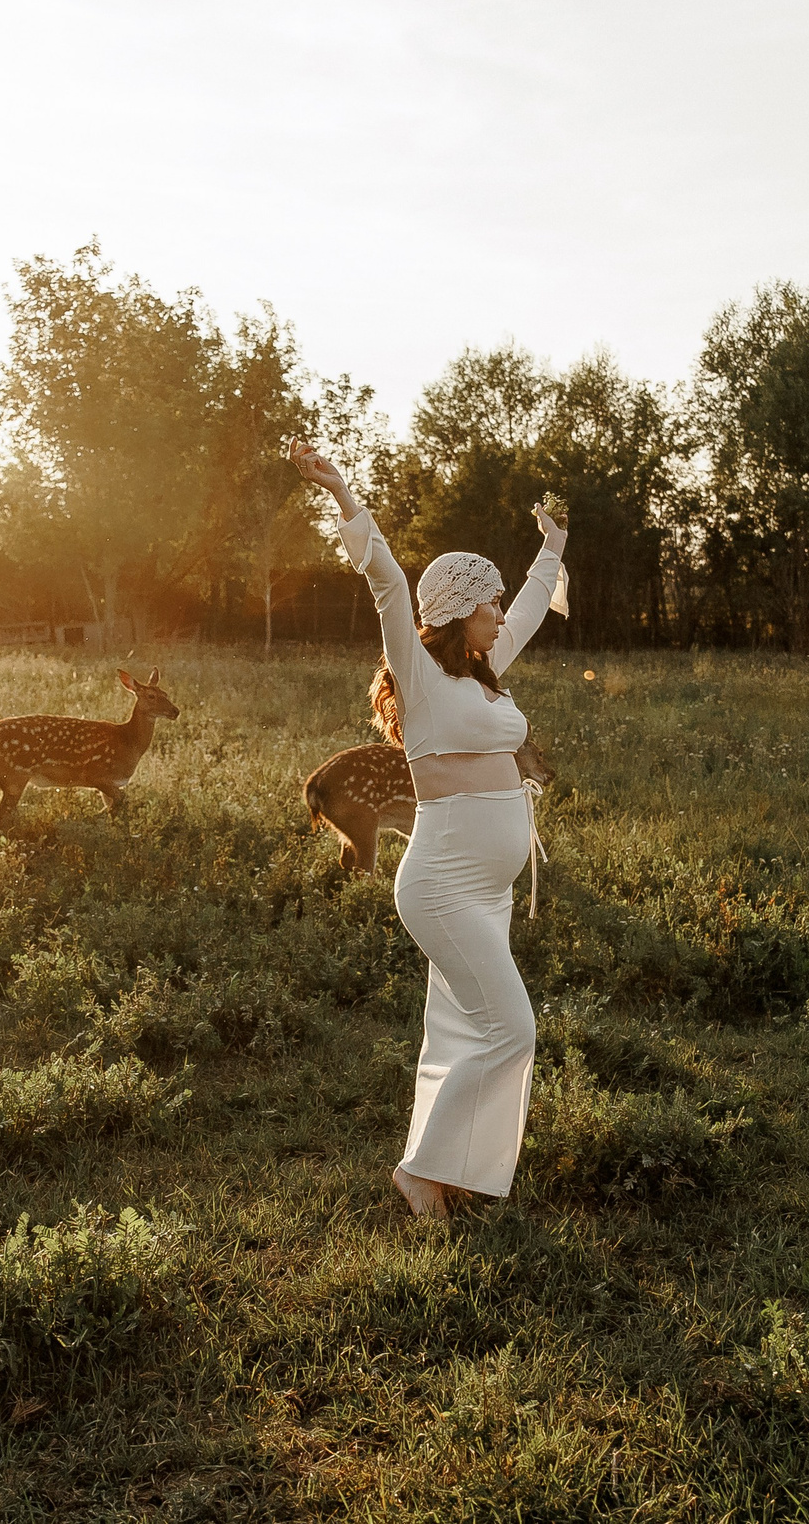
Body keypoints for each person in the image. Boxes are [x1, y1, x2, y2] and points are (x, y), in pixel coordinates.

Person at [291, 441, 567, 1219]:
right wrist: (342, 490)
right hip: (443, 885)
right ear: (453, 610)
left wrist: (554, 545)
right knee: (512, 1028)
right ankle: (420, 1172)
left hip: (486, 891)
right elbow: (382, 575)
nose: (499, 613)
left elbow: (534, 607)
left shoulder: (485, 669)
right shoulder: (419, 670)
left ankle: (457, 1174)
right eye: (488, 603)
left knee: (459, 1033)